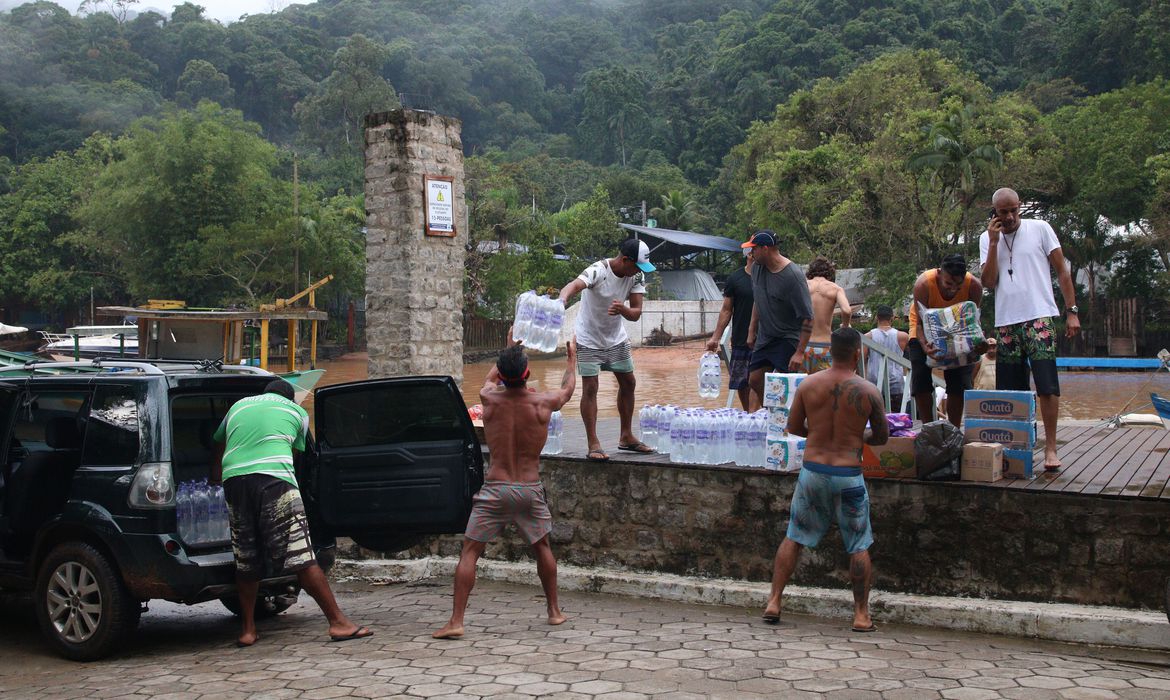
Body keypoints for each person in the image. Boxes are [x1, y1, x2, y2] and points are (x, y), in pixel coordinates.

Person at [433, 339, 577, 639]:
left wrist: (507, 352)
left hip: (496, 489)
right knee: (542, 548)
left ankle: (457, 620)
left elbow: (489, 380)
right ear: (527, 375)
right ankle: (554, 611)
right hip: (528, 488)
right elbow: (568, 390)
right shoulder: (543, 403)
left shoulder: (489, 399)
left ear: (504, 374)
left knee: (470, 552)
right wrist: (572, 360)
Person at [213, 379, 372, 648]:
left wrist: (216, 477)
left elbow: (219, 443)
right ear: (290, 399)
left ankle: (248, 630)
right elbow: (296, 455)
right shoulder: (297, 412)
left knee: (246, 557)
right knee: (301, 555)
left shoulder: (237, 407)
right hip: (274, 482)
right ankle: (338, 623)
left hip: (234, 482)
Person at [762, 328, 887, 632]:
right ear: (858, 353)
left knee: (794, 535)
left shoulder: (809, 384)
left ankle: (774, 601)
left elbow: (793, 427)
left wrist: (819, 434)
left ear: (831, 352)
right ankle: (860, 615)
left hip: (813, 472)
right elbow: (882, 437)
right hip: (849, 476)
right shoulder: (869, 390)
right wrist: (856, 436)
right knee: (858, 544)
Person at [980, 187, 1080, 471]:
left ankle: (1050, 448)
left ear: (1020, 207)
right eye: (1003, 212)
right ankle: (1017, 448)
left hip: (1039, 317)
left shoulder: (1040, 229)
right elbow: (988, 282)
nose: (1010, 217)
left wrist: (1071, 312)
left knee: (1047, 385)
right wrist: (993, 243)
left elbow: (1062, 270)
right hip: (1006, 323)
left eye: (1014, 210)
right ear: (995, 213)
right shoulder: (987, 239)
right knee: (1011, 390)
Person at [558, 238, 655, 461]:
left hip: (615, 338)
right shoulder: (598, 271)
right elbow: (573, 286)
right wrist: (561, 300)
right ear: (625, 260)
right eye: (637, 266)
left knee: (629, 382)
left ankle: (626, 436)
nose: (639, 271)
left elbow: (637, 312)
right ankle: (593, 443)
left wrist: (623, 309)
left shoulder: (636, 276)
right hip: (589, 337)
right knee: (591, 387)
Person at [908, 253, 984, 426]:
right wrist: (925, 346)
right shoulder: (923, 284)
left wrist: (978, 345)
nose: (953, 289)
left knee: (959, 380)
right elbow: (919, 325)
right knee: (920, 378)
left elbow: (974, 322)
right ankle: (928, 427)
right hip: (924, 329)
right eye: (949, 283)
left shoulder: (974, 286)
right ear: (939, 273)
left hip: (958, 329)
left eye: (958, 285)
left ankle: (954, 428)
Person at [742, 230, 814, 412]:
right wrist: (751, 331)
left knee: (782, 384)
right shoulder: (757, 268)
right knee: (755, 380)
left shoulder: (793, 276)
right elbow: (758, 300)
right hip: (765, 337)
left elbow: (807, 318)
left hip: (787, 337)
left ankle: (792, 419)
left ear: (765, 248)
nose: (751, 254)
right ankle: (775, 414)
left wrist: (799, 352)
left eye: (754, 249)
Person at [706, 244, 756, 409]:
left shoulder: (769, 277)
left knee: (761, 381)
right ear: (749, 255)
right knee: (742, 382)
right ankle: (749, 415)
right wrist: (715, 337)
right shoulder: (735, 279)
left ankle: (761, 416)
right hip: (741, 339)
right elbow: (726, 310)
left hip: (766, 339)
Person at [804, 256, 852, 374]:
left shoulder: (803, 285)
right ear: (829, 273)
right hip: (825, 346)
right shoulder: (835, 289)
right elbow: (846, 310)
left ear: (810, 272)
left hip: (803, 345)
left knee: (803, 386)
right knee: (825, 387)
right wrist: (845, 327)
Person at [864, 305, 909, 411]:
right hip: (896, 382)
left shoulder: (867, 337)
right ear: (892, 318)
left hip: (874, 383)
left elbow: (863, 360)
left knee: (875, 417)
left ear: (876, 318)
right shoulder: (903, 337)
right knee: (896, 417)